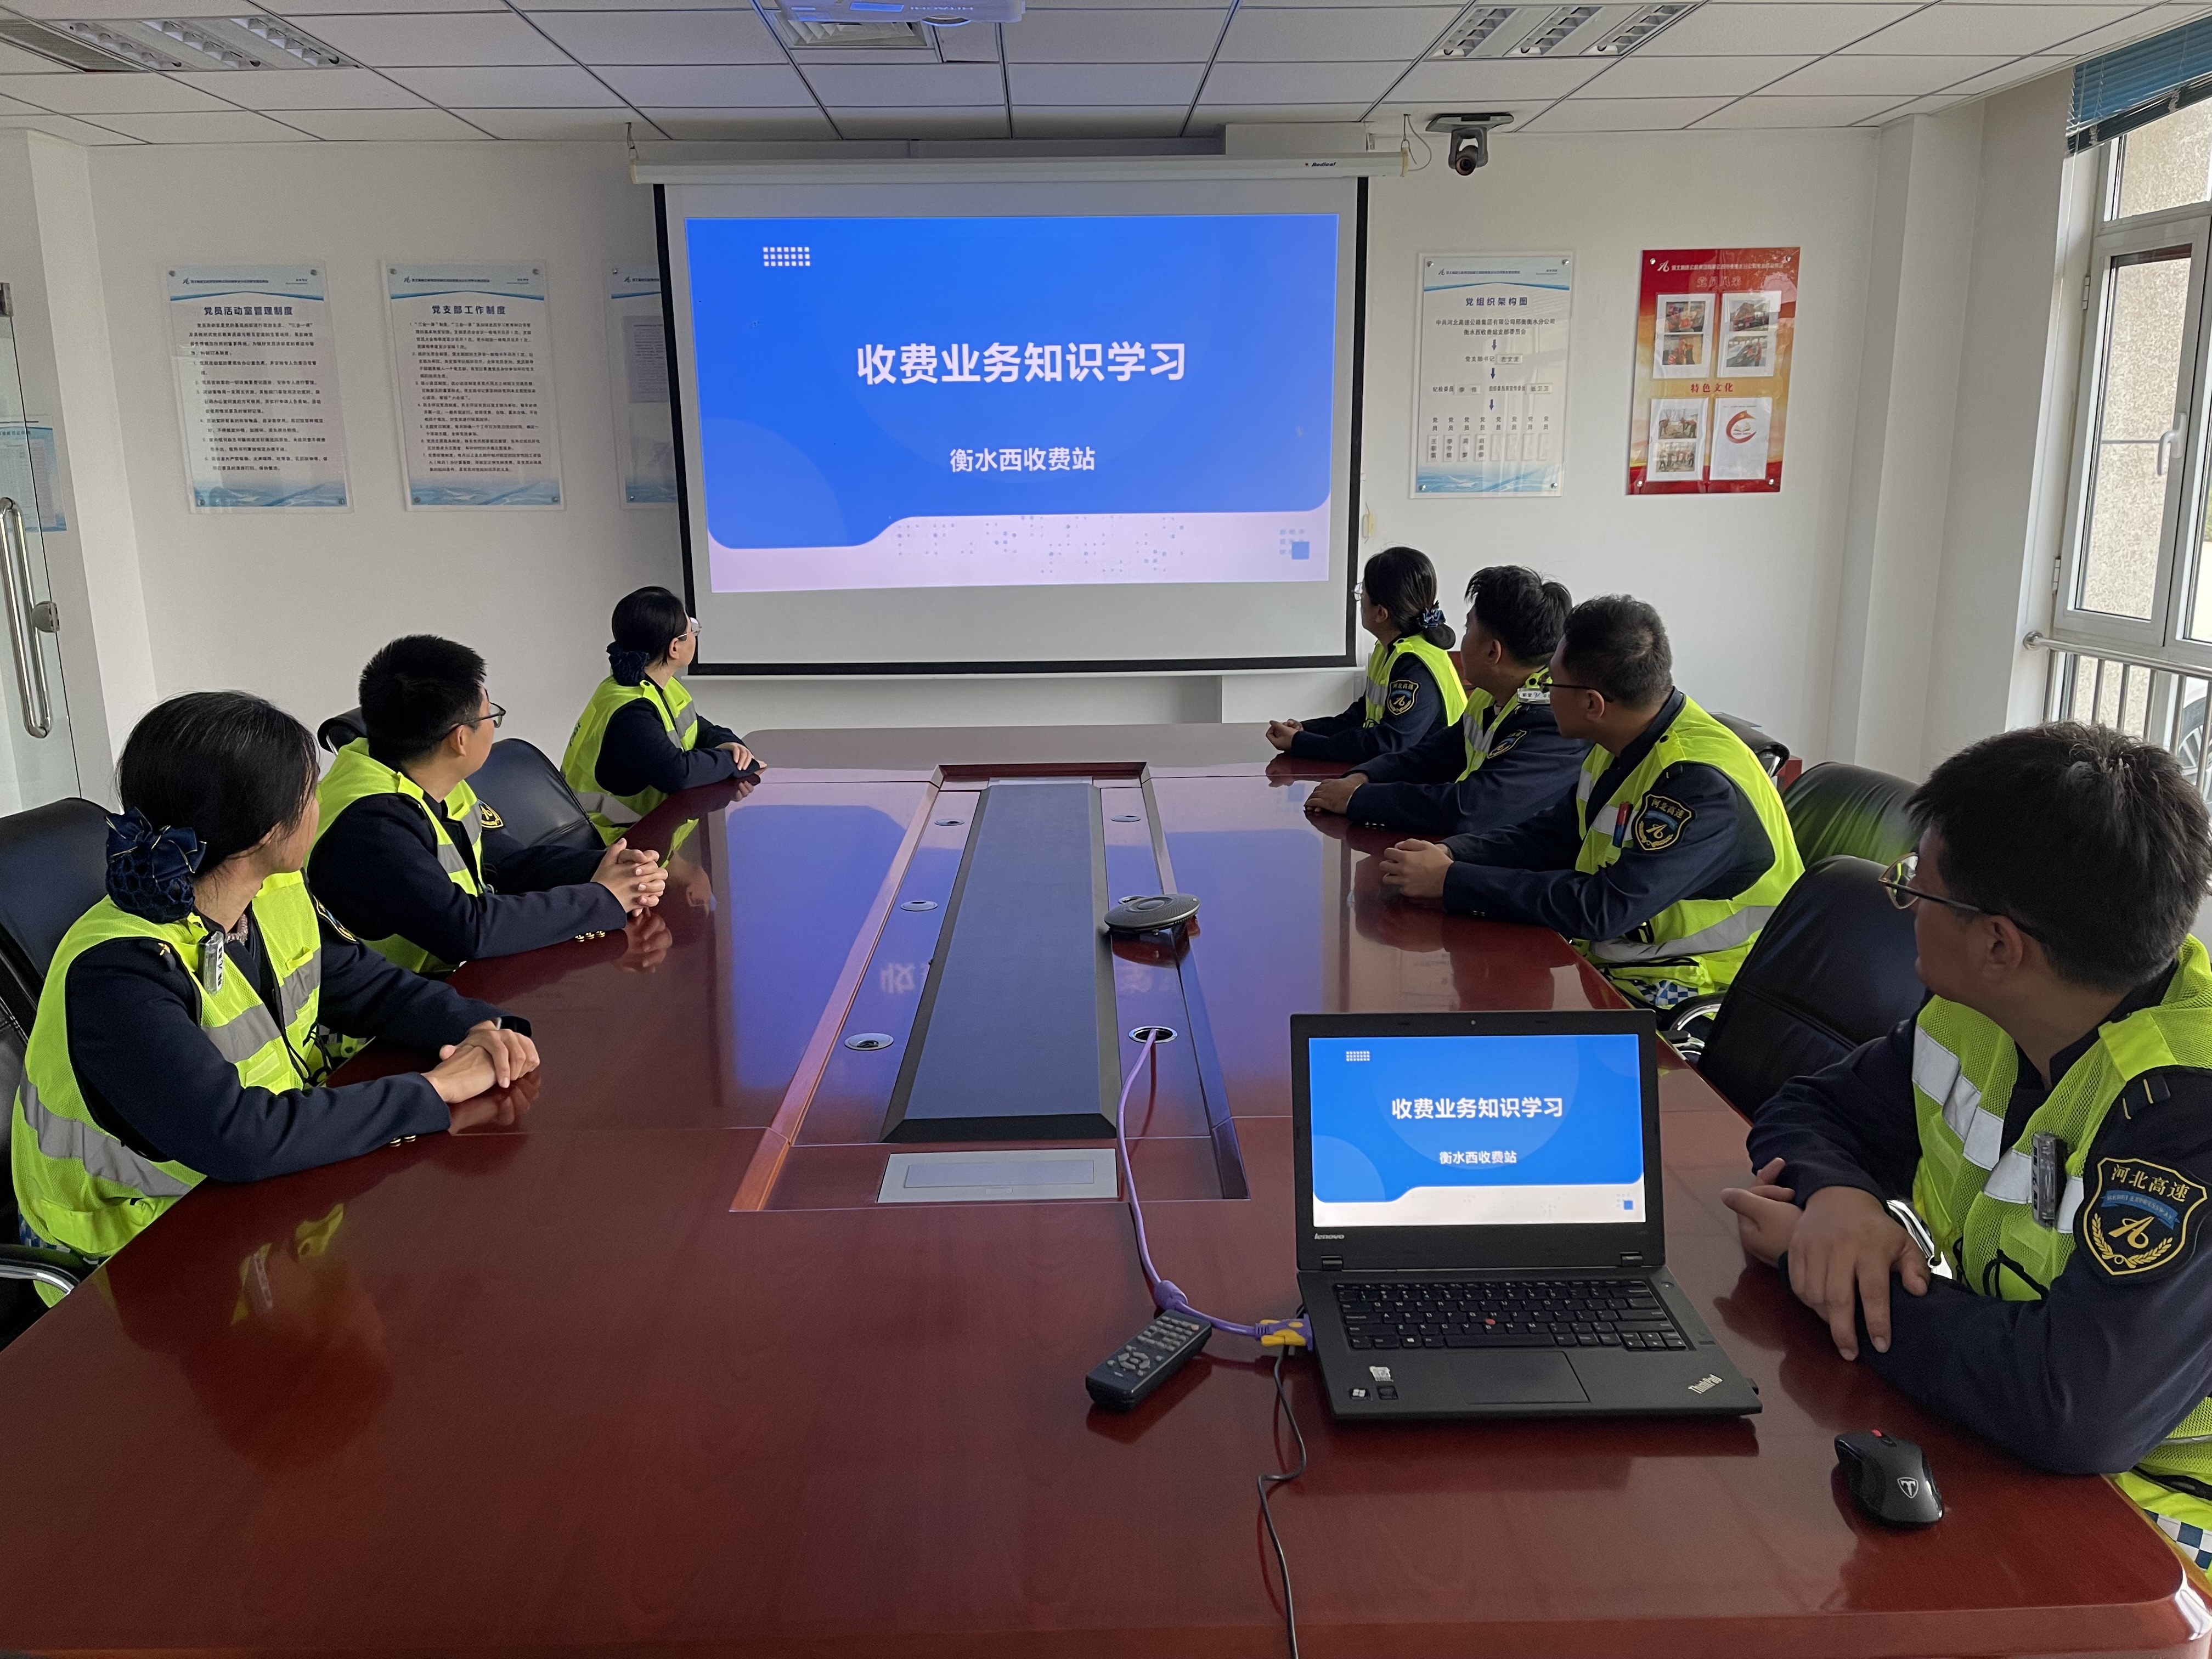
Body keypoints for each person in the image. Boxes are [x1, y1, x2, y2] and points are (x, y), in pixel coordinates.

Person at [1723, 724, 2212, 1566]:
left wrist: (1828, 1271)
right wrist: (1840, 1199)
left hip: (2159, 1511)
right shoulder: (1980, 1012)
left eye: (1920, 883)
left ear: (1998, 945)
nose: (1907, 900)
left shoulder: (2185, 1113)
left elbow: (2073, 1409)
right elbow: (1811, 1107)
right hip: (2003, 1437)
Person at [9, 691, 540, 1288]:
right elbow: (237, 1136)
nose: (320, 804)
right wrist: (437, 1089)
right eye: (309, 792)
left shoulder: (271, 891)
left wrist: (483, 1028)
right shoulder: (118, 972)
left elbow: (370, 988)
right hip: (130, 1261)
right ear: (264, 832)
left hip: (257, 1212)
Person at [1376, 595, 1801, 1011]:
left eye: (1552, 683)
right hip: (1621, 968)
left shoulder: (1697, 786)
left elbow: (1603, 908)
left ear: (1592, 704)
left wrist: (1452, 882)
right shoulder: (1623, 739)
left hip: (1703, 993)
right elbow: (1550, 837)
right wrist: (1451, 854)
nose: (1543, 692)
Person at [310, 635, 666, 977]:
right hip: (391, 1006)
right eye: (490, 716)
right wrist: (601, 899)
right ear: (460, 739)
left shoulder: (424, 774)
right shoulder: (372, 826)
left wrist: (603, 867)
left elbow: (503, 864)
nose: (494, 726)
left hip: (452, 981)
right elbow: (468, 930)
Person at [1304, 565, 1583, 837]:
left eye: (1468, 628)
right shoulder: (1490, 695)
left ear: (1493, 652)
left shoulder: (1555, 720)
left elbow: (1467, 809)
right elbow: (1433, 756)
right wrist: (1364, 776)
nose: (1463, 639)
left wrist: (1358, 799)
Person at [563, 586, 755, 844]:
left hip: (653, 834)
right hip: (612, 845)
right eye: (692, 630)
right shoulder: (630, 712)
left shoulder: (656, 684)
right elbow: (677, 774)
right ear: (675, 648)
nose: (695, 635)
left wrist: (729, 744)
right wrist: (733, 762)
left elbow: (699, 728)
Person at [1265, 546, 1468, 765]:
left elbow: (1386, 743)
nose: (1360, 600)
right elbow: (1361, 716)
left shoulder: (1415, 665)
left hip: (1432, 778)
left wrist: (1301, 743)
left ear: (1381, 613)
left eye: (1363, 592)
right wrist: (1305, 730)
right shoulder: (1389, 650)